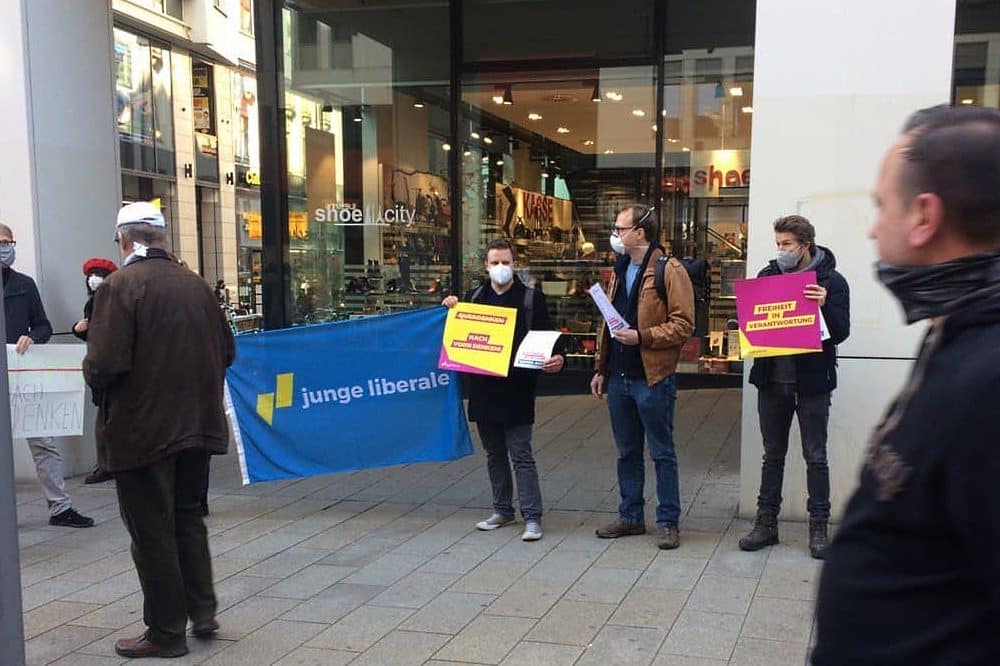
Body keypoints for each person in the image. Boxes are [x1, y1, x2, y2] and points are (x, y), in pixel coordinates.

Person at [813, 105, 1000, 664]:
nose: (872, 227)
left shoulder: (991, 379)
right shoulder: (959, 326)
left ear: (924, 215)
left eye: (880, 206)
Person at [84, 202, 235, 658]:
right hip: (197, 423)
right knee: (188, 518)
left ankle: (167, 632)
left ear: (125, 241)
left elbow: (105, 364)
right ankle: (202, 611)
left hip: (143, 430)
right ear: (163, 239)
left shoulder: (120, 286)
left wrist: (92, 374)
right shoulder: (196, 285)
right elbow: (227, 350)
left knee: (152, 531)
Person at [739, 215, 850, 560]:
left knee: (815, 457)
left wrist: (823, 307)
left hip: (813, 384)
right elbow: (754, 327)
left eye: (787, 244)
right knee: (772, 455)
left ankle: (819, 526)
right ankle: (766, 522)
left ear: (806, 244)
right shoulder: (768, 276)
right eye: (778, 244)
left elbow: (842, 331)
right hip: (773, 381)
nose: (781, 251)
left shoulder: (832, 281)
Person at [441, 238, 564, 542]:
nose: (500, 268)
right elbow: (458, 336)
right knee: (494, 454)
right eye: (495, 263)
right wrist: (450, 309)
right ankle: (502, 509)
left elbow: (550, 337)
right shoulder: (473, 298)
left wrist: (559, 358)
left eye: (505, 262)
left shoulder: (531, 299)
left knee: (521, 453)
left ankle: (532, 517)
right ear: (486, 265)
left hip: (518, 389)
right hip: (484, 390)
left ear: (515, 264)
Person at [591, 206, 694, 550]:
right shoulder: (620, 269)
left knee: (662, 452)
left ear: (640, 232)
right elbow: (608, 321)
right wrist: (600, 369)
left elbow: (684, 324)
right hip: (619, 376)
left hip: (652, 376)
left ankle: (668, 521)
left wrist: (643, 337)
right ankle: (631, 516)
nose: (615, 235)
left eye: (620, 228)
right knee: (627, 451)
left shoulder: (669, 269)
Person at [1, 223, 94, 528]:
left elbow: (43, 324)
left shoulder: (24, 285)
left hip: (23, 374)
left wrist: (33, 338)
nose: (6, 248)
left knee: (43, 443)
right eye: (2, 242)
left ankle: (60, 507)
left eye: (9, 242)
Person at [72, 257, 118, 485]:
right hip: (102, 367)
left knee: (108, 420)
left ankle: (110, 464)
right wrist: (78, 330)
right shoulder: (93, 304)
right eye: (90, 275)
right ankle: (108, 463)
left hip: (108, 366)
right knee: (105, 419)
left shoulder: (111, 301)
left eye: (98, 274)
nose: (93, 279)